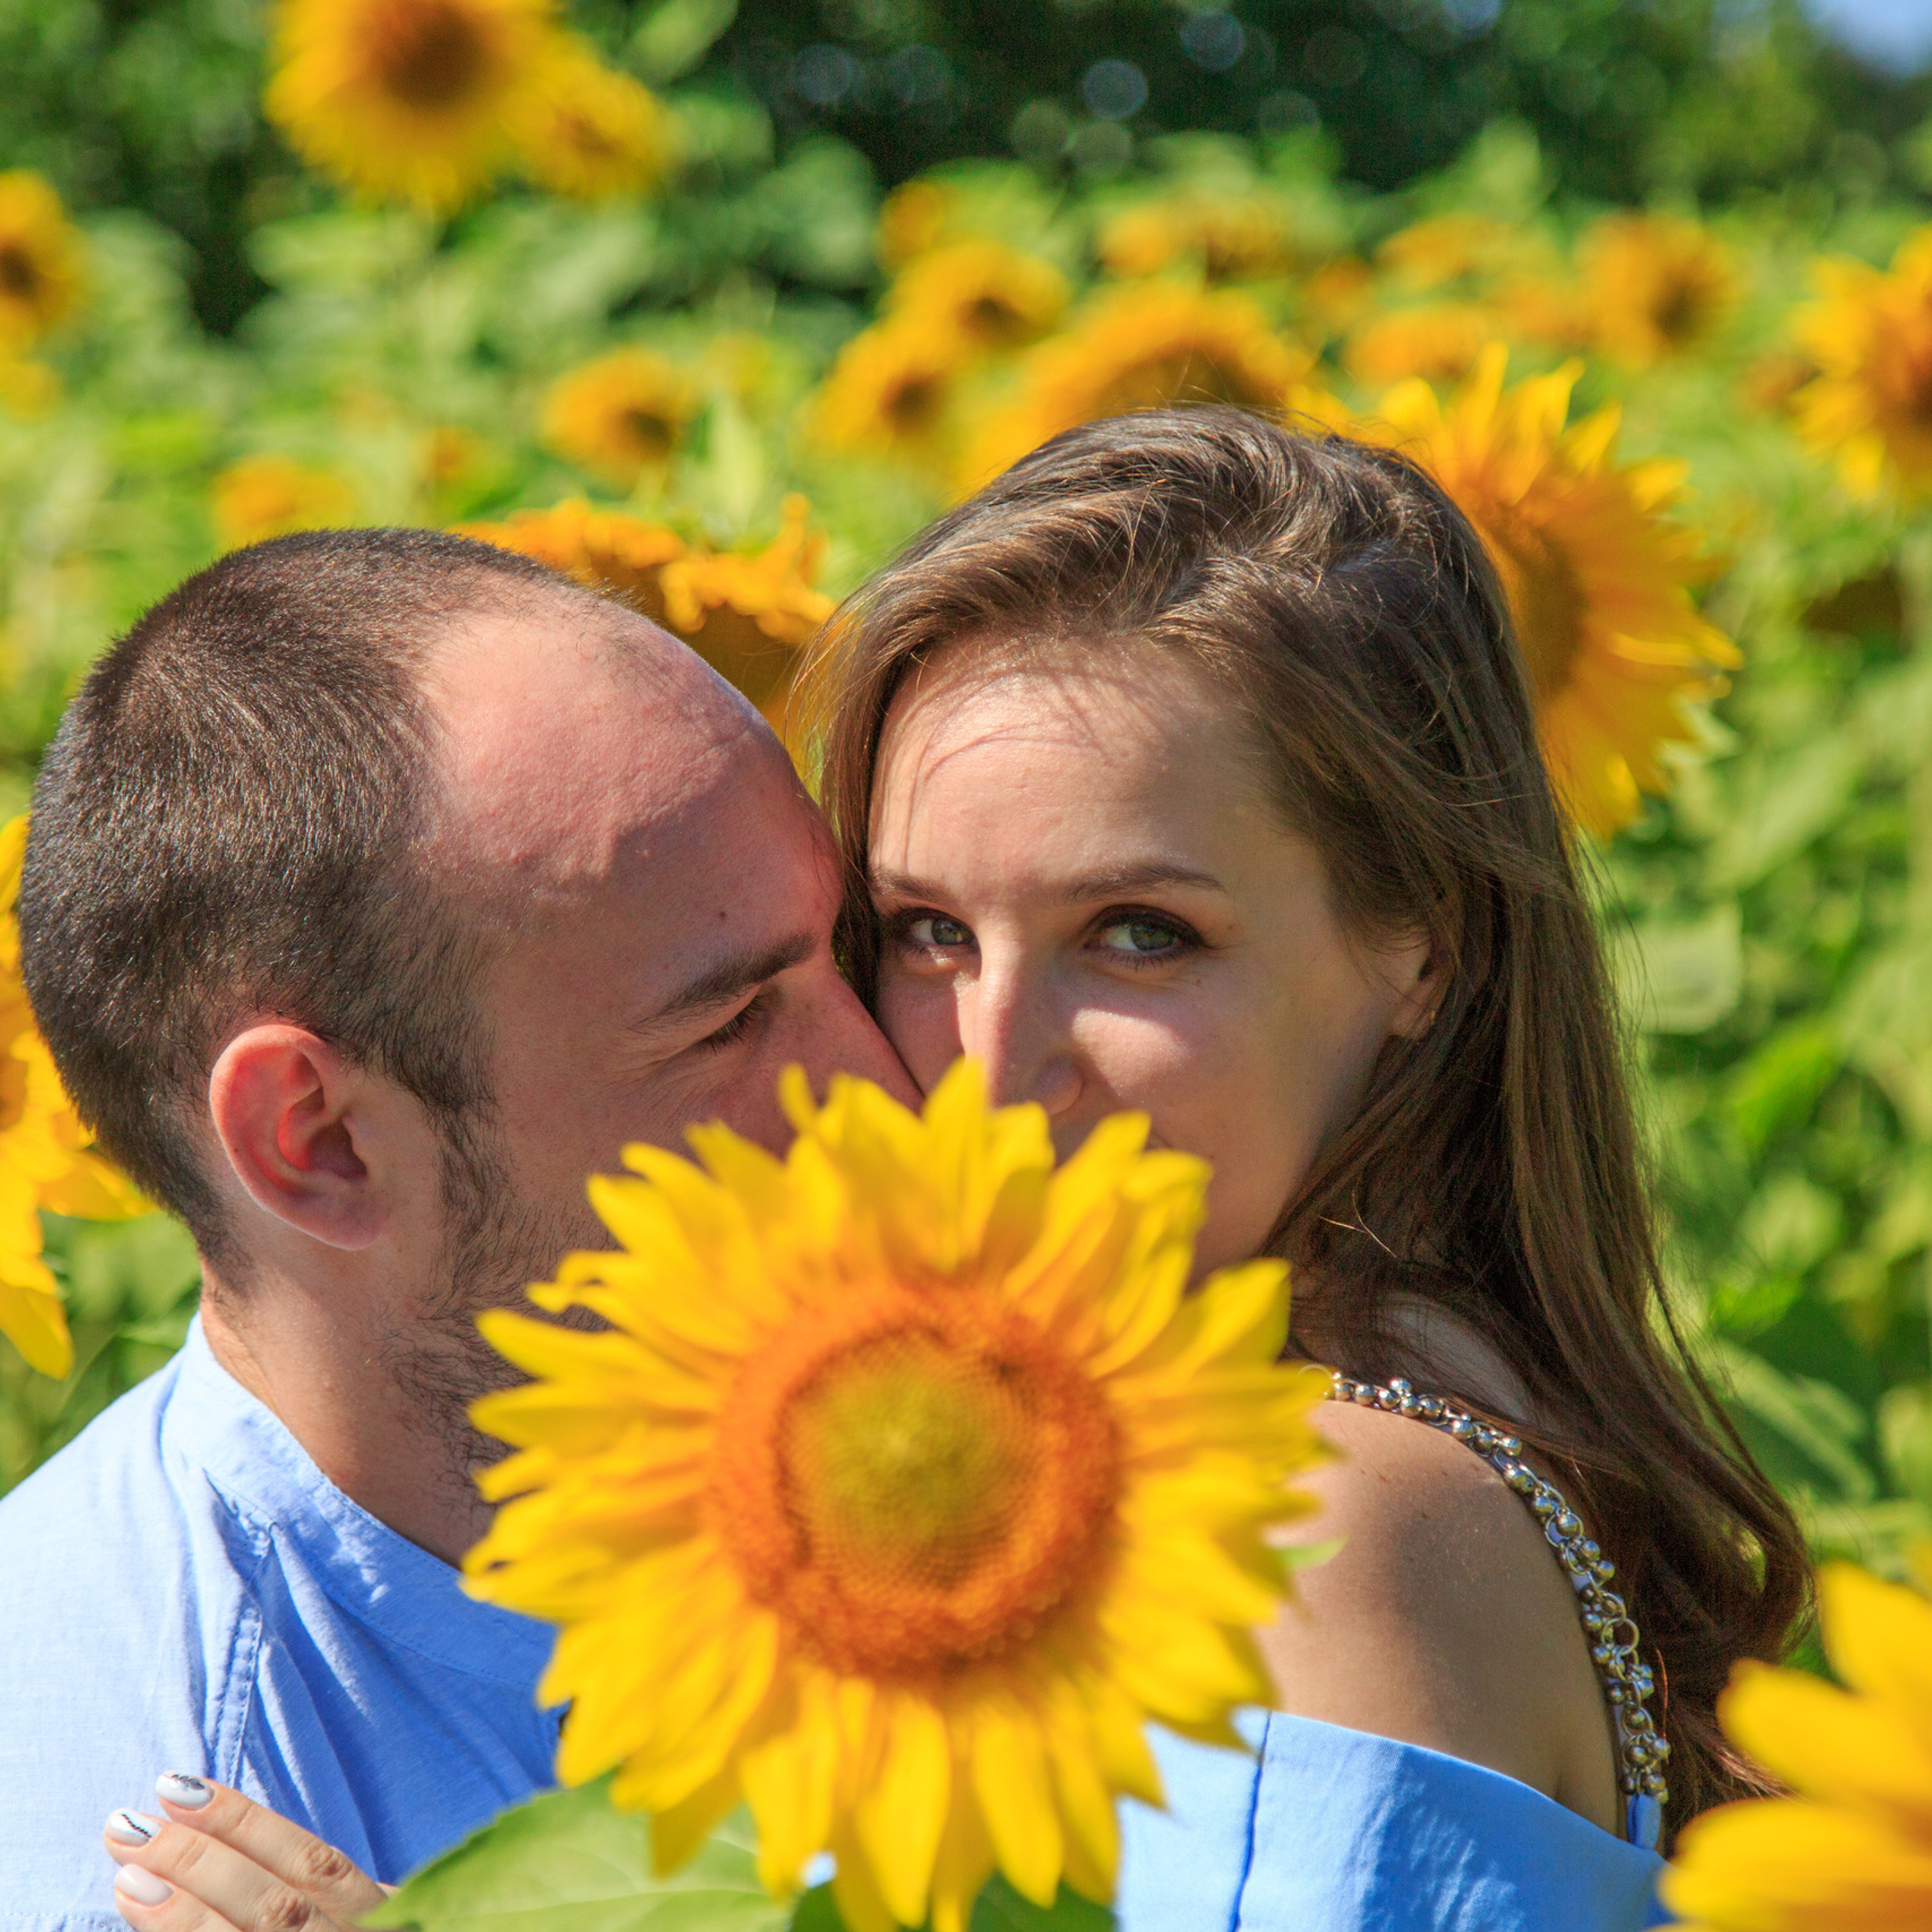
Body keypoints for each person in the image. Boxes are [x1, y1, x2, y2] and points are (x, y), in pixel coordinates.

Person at [96, 414, 1807, 1930]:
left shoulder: (1305, 1517)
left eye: (1139, 934)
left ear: (1416, 952)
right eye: (919, 930)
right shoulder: (1328, 1405)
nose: (983, 1062)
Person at [0, 526, 915, 1930]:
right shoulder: (147, 1836)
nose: (888, 1088)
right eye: (732, 1022)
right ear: (321, 1141)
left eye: (852, 951)